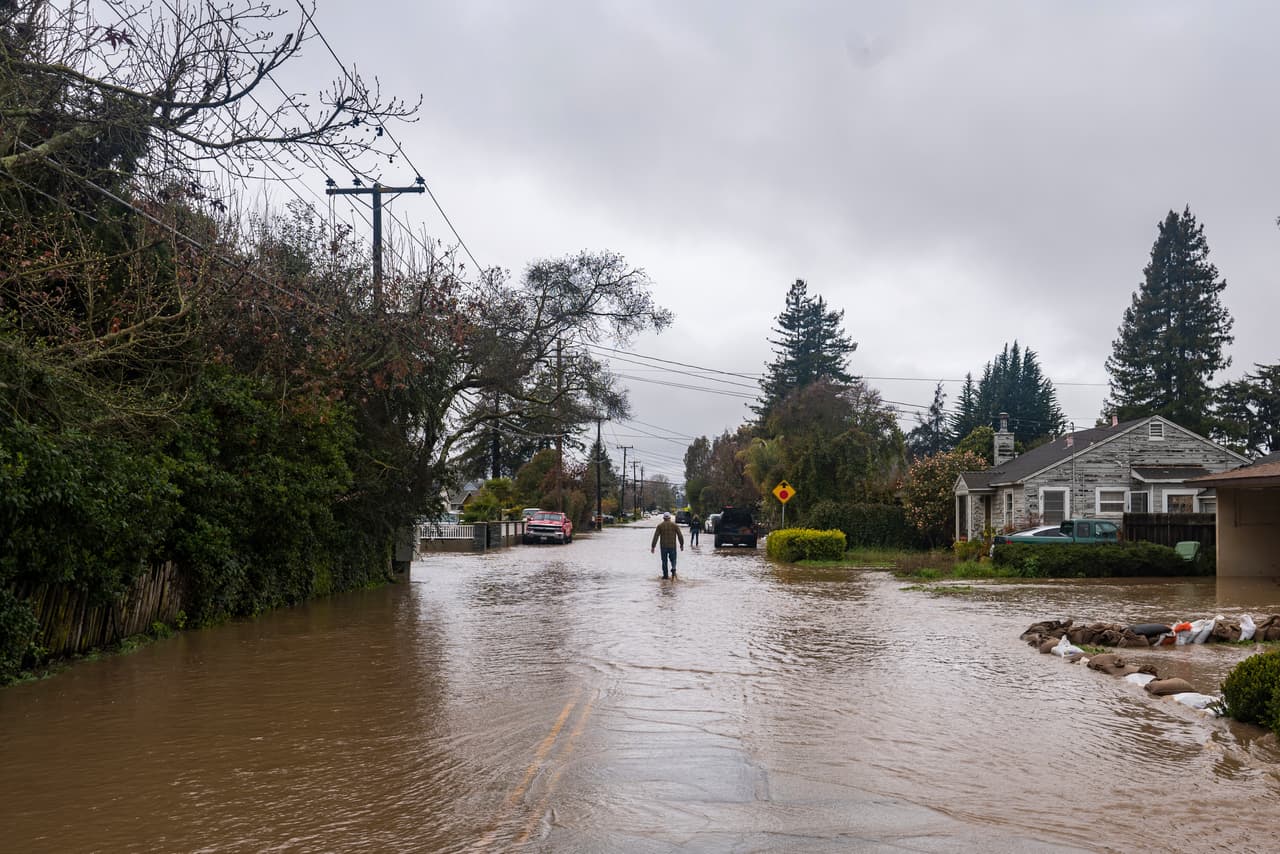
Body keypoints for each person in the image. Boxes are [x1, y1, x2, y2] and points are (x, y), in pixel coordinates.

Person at [650, 512, 684, 578]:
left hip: (663, 546)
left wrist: (653, 546)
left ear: (664, 518)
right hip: (672, 546)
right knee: (673, 559)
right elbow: (680, 535)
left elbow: (656, 536)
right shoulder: (674, 525)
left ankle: (665, 576)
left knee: (664, 561)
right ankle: (673, 568)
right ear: (670, 518)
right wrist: (681, 544)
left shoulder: (660, 526)